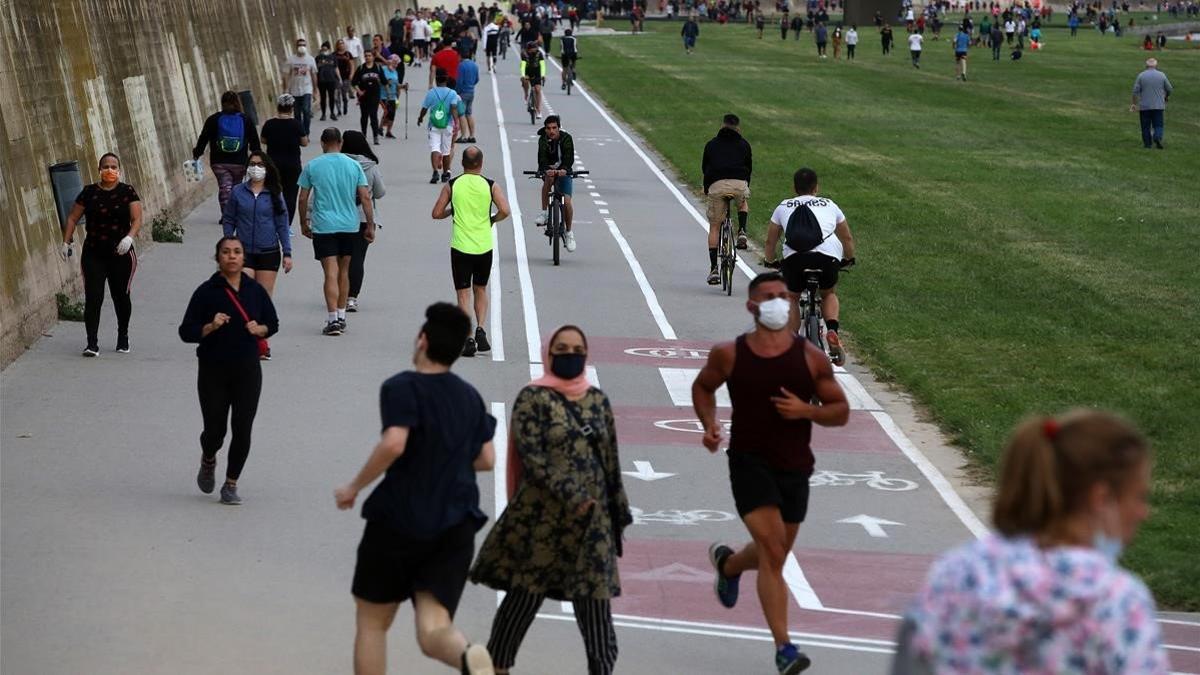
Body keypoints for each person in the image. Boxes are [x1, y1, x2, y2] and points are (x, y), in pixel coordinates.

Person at [890, 410, 1169, 674]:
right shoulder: (1117, 601)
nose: (1143, 512)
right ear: (1101, 498)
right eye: (1138, 497)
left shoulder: (954, 572)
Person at [693, 271, 849, 675]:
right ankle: (785, 649)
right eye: (770, 296)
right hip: (748, 460)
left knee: (772, 554)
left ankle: (728, 565)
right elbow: (703, 388)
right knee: (774, 551)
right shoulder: (729, 354)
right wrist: (709, 425)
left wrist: (807, 412)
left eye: (783, 295)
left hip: (795, 464)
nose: (779, 302)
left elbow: (840, 410)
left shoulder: (810, 357)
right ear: (752, 306)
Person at [334, 302, 497, 675]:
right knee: (433, 629)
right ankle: (468, 657)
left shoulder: (402, 387)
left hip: (399, 520)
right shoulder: (469, 397)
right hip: (454, 524)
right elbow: (486, 458)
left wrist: (354, 486)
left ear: (422, 340)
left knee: (373, 623)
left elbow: (394, 443)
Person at [471, 325, 632, 675]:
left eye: (576, 348)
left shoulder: (597, 400)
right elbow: (532, 458)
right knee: (520, 605)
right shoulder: (533, 398)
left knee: (598, 623)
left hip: (592, 527)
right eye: (562, 348)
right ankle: (496, 667)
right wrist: (572, 495)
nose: (569, 354)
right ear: (549, 353)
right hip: (541, 523)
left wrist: (618, 513)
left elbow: (610, 460)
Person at [178, 236, 279, 506]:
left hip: (247, 369)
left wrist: (261, 330)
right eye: (226, 252)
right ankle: (208, 458)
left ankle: (231, 484)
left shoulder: (255, 291)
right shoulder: (206, 292)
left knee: (242, 428)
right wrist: (209, 327)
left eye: (237, 252)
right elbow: (185, 332)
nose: (232, 256)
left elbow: (273, 322)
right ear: (218, 257)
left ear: (244, 258)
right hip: (213, 370)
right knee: (215, 430)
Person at [762, 167, 855, 365]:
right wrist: (849, 258)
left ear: (794, 188)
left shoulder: (783, 206)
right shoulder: (830, 204)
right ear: (816, 187)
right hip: (826, 258)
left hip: (795, 260)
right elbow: (846, 237)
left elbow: (770, 242)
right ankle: (832, 330)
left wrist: (770, 261)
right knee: (828, 293)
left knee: (793, 296)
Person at [60, 153, 142, 356]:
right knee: (93, 297)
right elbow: (72, 217)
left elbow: (137, 218)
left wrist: (129, 238)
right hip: (94, 253)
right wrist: (66, 241)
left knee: (120, 296)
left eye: (114, 166)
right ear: (99, 169)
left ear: (119, 170)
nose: (109, 170)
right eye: (105, 166)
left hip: (121, 253)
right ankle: (91, 343)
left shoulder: (127, 191)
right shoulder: (89, 192)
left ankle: (123, 336)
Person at [432, 146, 510, 357]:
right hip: (484, 245)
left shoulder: (452, 184)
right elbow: (505, 210)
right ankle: (481, 328)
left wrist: (452, 210)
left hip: (460, 247)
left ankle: (467, 337)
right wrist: (492, 219)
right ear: (481, 164)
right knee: (481, 289)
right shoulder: (490, 185)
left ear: (462, 164)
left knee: (463, 293)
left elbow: (436, 213)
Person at [297, 128, 376, 336]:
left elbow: (303, 198)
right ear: (340, 143)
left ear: (323, 143)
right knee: (344, 271)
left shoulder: (313, 166)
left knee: (329, 272)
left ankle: (332, 319)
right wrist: (370, 224)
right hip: (349, 224)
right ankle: (341, 315)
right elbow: (365, 197)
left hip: (324, 225)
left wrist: (303, 222)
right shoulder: (354, 166)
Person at [220, 151, 292, 323]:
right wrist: (229, 241)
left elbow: (282, 224)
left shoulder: (274, 193)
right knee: (244, 295)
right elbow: (229, 218)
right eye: (252, 164)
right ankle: (243, 336)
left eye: (260, 165)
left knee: (263, 299)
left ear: (267, 168)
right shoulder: (238, 192)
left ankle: (261, 340)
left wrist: (287, 253)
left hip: (269, 251)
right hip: (244, 252)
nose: (256, 168)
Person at [701, 113, 753, 284]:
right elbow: (748, 169)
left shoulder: (712, 144)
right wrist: (746, 186)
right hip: (739, 184)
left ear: (723, 125)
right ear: (738, 127)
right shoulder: (744, 145)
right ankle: (742, 231)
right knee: (743, 202)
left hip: (717, 184)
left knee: (715, 226)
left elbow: (705, 168)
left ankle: (714, 269)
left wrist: (707, 187)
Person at [193, 91, 262, 217]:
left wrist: (197, 153)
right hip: (240, 162)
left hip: (219, 162)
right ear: (237, 103)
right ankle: (234, 213)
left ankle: (227, 215)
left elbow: (203, 138)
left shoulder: (213, 119)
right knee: (236, 188)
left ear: (222, 103)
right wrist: (258, 158)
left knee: (225, 187)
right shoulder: (246, 120)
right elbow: (254, 142)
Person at [340, 131, 386, 314]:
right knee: (357, 258)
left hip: (339, 216)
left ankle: (338, 293)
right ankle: (352, 298)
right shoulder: (370, 165)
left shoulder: (338, 163)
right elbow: (380, 192)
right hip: (362, 217)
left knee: (340, 258)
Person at [260, 94, 308, 229]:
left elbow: (263, 140)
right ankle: (286, 225)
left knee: (272, 192)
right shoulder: (296, 124)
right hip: (292, 165)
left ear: (278, 107)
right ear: (292, 108)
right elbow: (304, 142)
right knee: (290, 195)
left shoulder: (269, 124)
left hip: (273, 165)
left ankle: (272, 221)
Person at [534, 115, 578, 252]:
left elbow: (569, 157)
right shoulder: (542, 140)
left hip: (564, 172)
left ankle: (569, 232)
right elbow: (541, 157)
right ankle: (544, 213)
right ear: (545, 129)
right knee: (548, 179)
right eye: (548, 128)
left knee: (567, 201)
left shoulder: (566, 139)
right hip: (549, 172)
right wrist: (546, 169)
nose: (551, 131)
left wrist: (564, 169)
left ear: (559, 128)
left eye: (554, 128)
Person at [417, 69, 463, 184]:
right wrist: (456, 123)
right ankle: (445, 173)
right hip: (447, 125)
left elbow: (425, 108)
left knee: (435, 148)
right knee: (446, 151)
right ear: (447, 79)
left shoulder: (431, 92)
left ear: (436, 79)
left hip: (434, 125)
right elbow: (453, 109)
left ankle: (435, 172)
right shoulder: (452, 93)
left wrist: (420, 117)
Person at [1131, 58, 1173, 150]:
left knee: (1145, 126)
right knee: (1158, 124)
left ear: (1146, 66)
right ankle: (1157, 137)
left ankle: (1147, 144)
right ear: (1156, 66)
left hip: (1144, 106)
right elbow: (1169, 89)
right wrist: (1166, 96)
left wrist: (1134, 104)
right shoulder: (1162, 75)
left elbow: (1135, 92)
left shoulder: (1141, 76)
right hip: (1158, 106)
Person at [282, 37, 318, 137]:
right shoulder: (291, 59)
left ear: (306, 47)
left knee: (306, 110)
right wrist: (285, 89)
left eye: (303, 45)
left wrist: (315, 90)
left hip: (307, 88)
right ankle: (300, 133)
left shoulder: (310, 59)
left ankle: (306, 132)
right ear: (296, 47)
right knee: (297, 113)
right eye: (299, 45)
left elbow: (314, 74)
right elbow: (286, 74)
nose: (301, 47)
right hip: (294, 90)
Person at [352, 50, 386, 144]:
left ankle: (375, 136)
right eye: (366, 56)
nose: (367, 57)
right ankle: (363, 135)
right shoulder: (361, 68)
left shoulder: (378, 68)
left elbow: (384, 81)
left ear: (373, 57)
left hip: (375, 96)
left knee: (373, 116)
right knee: (364, 117)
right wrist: (359, 91)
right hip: (364, 97)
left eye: (369, 56)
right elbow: (354, 82)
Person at [455, 53, 480, 143]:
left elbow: (459, 81)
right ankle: (472, 135)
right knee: (469, 114)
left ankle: (463, 136)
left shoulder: (461, 66)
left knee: (461, 114)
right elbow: (477, 79)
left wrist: (457, 91)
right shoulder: (474, 65)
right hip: (471, 92)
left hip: (463, 92)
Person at [519, 41, 546, 120]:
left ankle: (538, 110)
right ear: (529, 49)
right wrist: (523, 75)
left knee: (537, 90)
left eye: (535, 48)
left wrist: (543, 75)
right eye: (533, 49)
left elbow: (542, 65)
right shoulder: (524, 54)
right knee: (525, 81)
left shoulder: (539, 54)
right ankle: (526, 94)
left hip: (537, 73)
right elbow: (523, 65)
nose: (535, 50)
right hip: (528, 72)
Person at [316, 41, 342, 121]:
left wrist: (339, 78)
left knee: (331, 97)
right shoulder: (318, 58)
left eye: (326, 47)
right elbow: (315, 70)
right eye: (323, 47)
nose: (324, 49)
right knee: (323, 98)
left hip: (331, 79)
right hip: (321, 80)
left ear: (329, 48)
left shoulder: (333, 57)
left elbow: (336, 68)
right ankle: (323, 114)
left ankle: (332, 113)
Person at [381, 55, 405, 140]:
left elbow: (396, 84)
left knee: (392, 114)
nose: (396, 65)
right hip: (383, 95)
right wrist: (386, 82)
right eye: (394, 62)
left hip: (393, 95)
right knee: (387, 111)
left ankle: (388, 131)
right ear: (389, 61)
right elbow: (379, 80)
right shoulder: (383, 69)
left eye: (397, 63)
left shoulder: (395, 72)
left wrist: (403, 86)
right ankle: (380, 127)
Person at [334, 39, 355, 116]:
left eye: (342, 43)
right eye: (339, 44)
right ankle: (339, 110)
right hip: (336, 77)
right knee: (336, 94)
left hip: (346, 76)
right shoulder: (334, 55)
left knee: (344, 93)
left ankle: (345, 104)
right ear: (337, 45)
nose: (341, 45)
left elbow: (352, 65)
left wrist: (351, 74)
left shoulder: (348, 54)